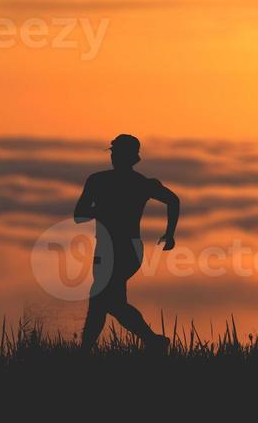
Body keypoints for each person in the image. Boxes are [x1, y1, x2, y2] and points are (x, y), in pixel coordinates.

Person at [72, 134, 178, 352]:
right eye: (114, 152)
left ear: (129, 157)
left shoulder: (136, 183)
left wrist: (170, 234)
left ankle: (151, 341)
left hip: (125, 249)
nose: (114, 156)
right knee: (106, 301)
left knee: (102, 300)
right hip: (107, 250)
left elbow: (173, 200)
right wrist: (169, 233)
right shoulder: (101, 181)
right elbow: (79, 215)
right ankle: (154, 342)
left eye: (118, 153)